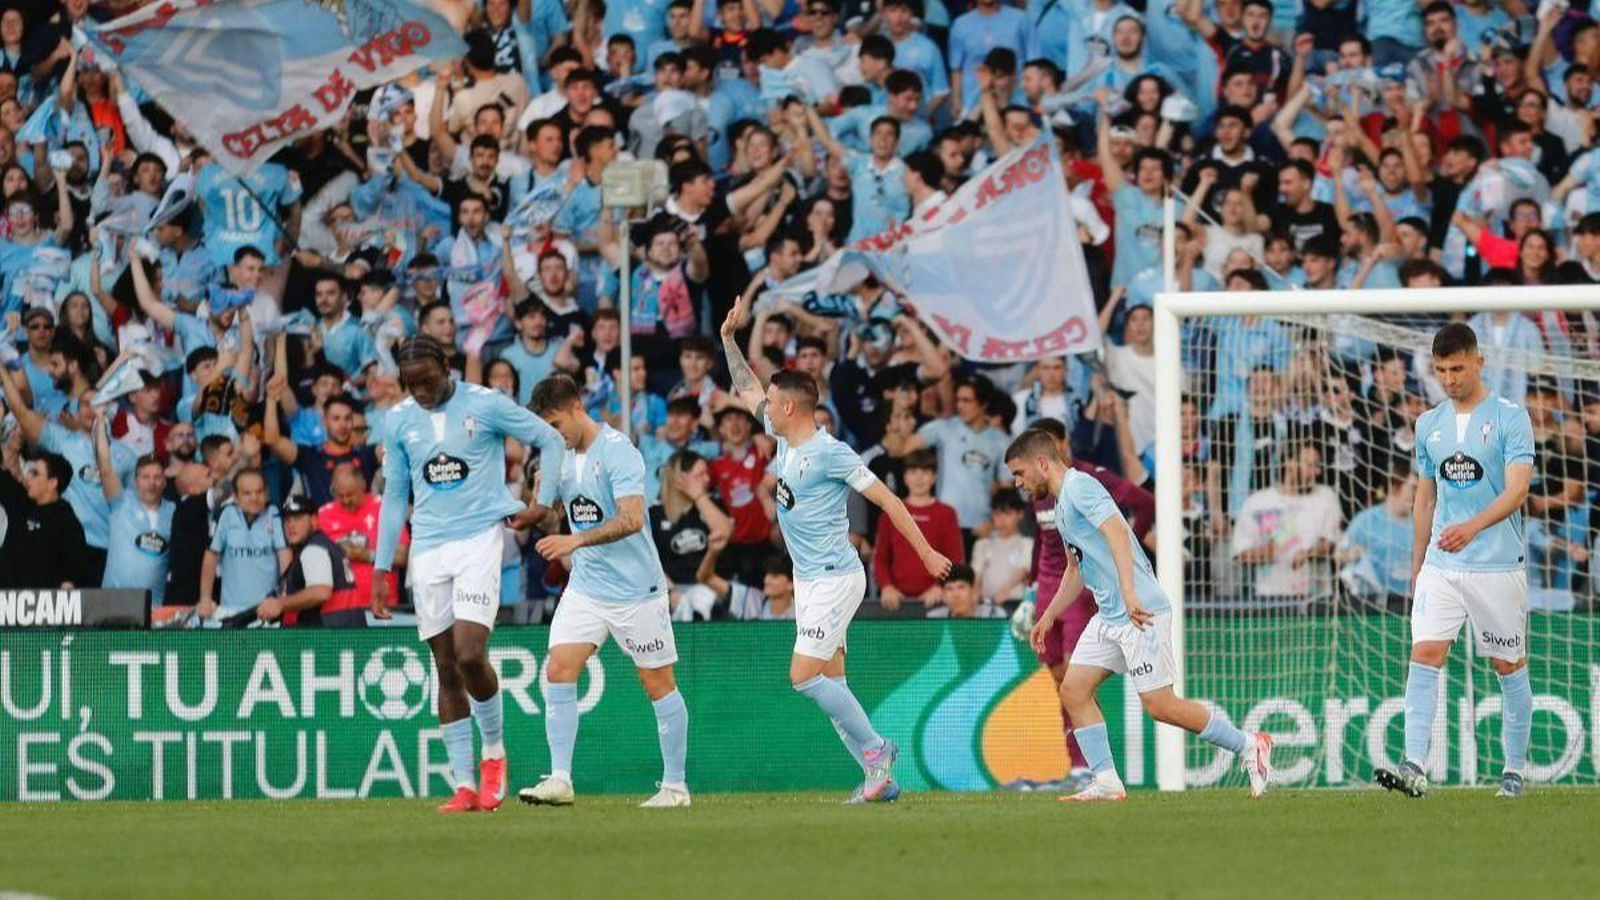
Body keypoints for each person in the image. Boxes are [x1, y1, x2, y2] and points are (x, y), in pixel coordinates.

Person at [720, 292, 953, 804]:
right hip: (810, 579)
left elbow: (890, 500)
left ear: (789, 408)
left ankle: (877, 750)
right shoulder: (783, 438)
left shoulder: (830, 453)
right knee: (832, 683)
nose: (764, 408)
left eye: (772, 402)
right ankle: (879, 780)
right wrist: (729, 340)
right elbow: (745, 386)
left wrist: (926, 554)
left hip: (835, 577)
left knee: (802, 677)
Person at [1007, 429, 1274, 802]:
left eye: (1019, 473)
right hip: (1110, 616)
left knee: (1160, 706)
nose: (1017, 483)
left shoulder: (1081, 487)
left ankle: (1250, 744)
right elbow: (1075, 567)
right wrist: (1049, 614)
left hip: (1139, 611)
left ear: (1041, 462)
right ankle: (1106, 781)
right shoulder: (1061, 503)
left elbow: (1118, 533)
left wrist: (1130, 593)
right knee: (1073, 688)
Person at [372, 335, 566, 814]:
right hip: (429, 548)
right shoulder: (397, 421)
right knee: (443, 667)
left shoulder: (486, 403)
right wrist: (381, 565)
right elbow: (396, 494)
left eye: (426, 380)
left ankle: (494, 754)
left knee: (469, 653)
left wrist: (542, 502)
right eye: (409, 384)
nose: (419, 391)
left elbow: (550, 437)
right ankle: (463, 785)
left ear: (446, 364)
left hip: (480, 537)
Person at [1376, 324, 1536, 800]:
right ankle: (1413, 767)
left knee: (1508, 666)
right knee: (1424, 654)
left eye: (1458, 368)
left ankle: (1513, 771)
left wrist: (1473, 526)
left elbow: (1518, 489)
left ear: (1479, 362)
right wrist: (1418, 561)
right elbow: (1425, 499)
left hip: (1497, 564)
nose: (1449, 378)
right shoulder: (1429, 423)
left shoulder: (1511, 417)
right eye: (1441, 370)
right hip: (1442, 567)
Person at [518, 374, 692, 809]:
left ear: (578, 408)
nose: (552, 436)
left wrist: (575, 541)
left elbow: (632, 518)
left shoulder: (619, 452)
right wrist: (521, 513)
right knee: (558, 667)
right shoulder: (558, 455)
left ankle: (675, 787)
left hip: (637, 590)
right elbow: (553, 515)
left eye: (555, 425)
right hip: (588, 586)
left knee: (656, 682)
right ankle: (560, 778)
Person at [872, 448, 963, 613]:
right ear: (905, 477)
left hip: (935, 602)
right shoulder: (890, 512)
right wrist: (886, 586)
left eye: (925, 471)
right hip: (895, 603)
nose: (919, 477)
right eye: (913, 471)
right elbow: (880, 557)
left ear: (934, 477)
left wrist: (939, 587)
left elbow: (955, 557)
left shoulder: (947, 513)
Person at [95, 417, 174, 606]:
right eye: (145, 477)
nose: (152, 482)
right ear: (135, 481)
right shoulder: (122, 502)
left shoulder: (174, 511)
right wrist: (99, 421)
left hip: (153, 607)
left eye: (157, 477)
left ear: (164, 481)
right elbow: (105, 466)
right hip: (112, 601)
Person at [199, 468, 289, 625]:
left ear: (267, 493)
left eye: (259, 492)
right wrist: (205, 599)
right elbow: (211, 556)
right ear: (235, 497)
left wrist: (283, 599)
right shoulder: (226, 514)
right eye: (247, 493)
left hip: (266, 610)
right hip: (230, 611)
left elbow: (285, 557)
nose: (254, 498)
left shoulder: (274, 513)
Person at [256, 495, 360, 627]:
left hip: (329, 639)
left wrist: (280, 604)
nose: (291, 525)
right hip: (345, 636)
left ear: (314, 521)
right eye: (287, 520)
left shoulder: (313, 549)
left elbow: (321, 592)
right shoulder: (321, 545)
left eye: (297, 518)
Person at [0, 451, 92, 589]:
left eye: (35, 474)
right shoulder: (21, 502)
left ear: (52, 483)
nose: (28, 477)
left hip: (41, 606)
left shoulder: (68, 524)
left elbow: (70, 579)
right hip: (5, 604)